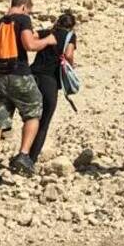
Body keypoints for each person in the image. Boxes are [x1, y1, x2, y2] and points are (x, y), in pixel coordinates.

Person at [0, 0, 58, 189]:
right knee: (34, 111)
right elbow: (30, 45)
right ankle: (23, 154)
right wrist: (48, 41)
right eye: (28, 10)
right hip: (20, 75)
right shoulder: (23, 19)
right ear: (23, 7)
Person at [28, 10, 77, 164]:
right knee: (44, 121)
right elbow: (68, 54)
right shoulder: (70, 36)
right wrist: (71, 65)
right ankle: (30, 158)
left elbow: (31, 36)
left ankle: (22, 150)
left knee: (31, 116)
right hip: (50, 79)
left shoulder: (48, 33)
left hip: (32, 75)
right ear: (72, 26)